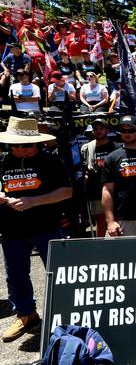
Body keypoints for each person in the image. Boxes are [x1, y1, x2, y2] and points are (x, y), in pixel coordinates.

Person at [0, 117, 72, 342]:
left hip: (47, 227)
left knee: (58, 272)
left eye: (27, 145)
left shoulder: (51, 161)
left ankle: (67, 314)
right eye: (16, 145)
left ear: (37, 143)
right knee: (16, 274)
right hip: (12, 229)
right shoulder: (2, 162)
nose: (21, 150)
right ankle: (26, 314)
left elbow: (66, 192)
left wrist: (34, 201)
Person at [81, 118, 117, 237]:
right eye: (95, 129)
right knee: (100, 221)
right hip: (95, 189)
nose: (98, 131)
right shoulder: (87, 148)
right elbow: (84, 167)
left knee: (116, 220)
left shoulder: (115, 147)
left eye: (101, 128)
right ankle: (100, 247)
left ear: (107, 130)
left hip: (113, 190)